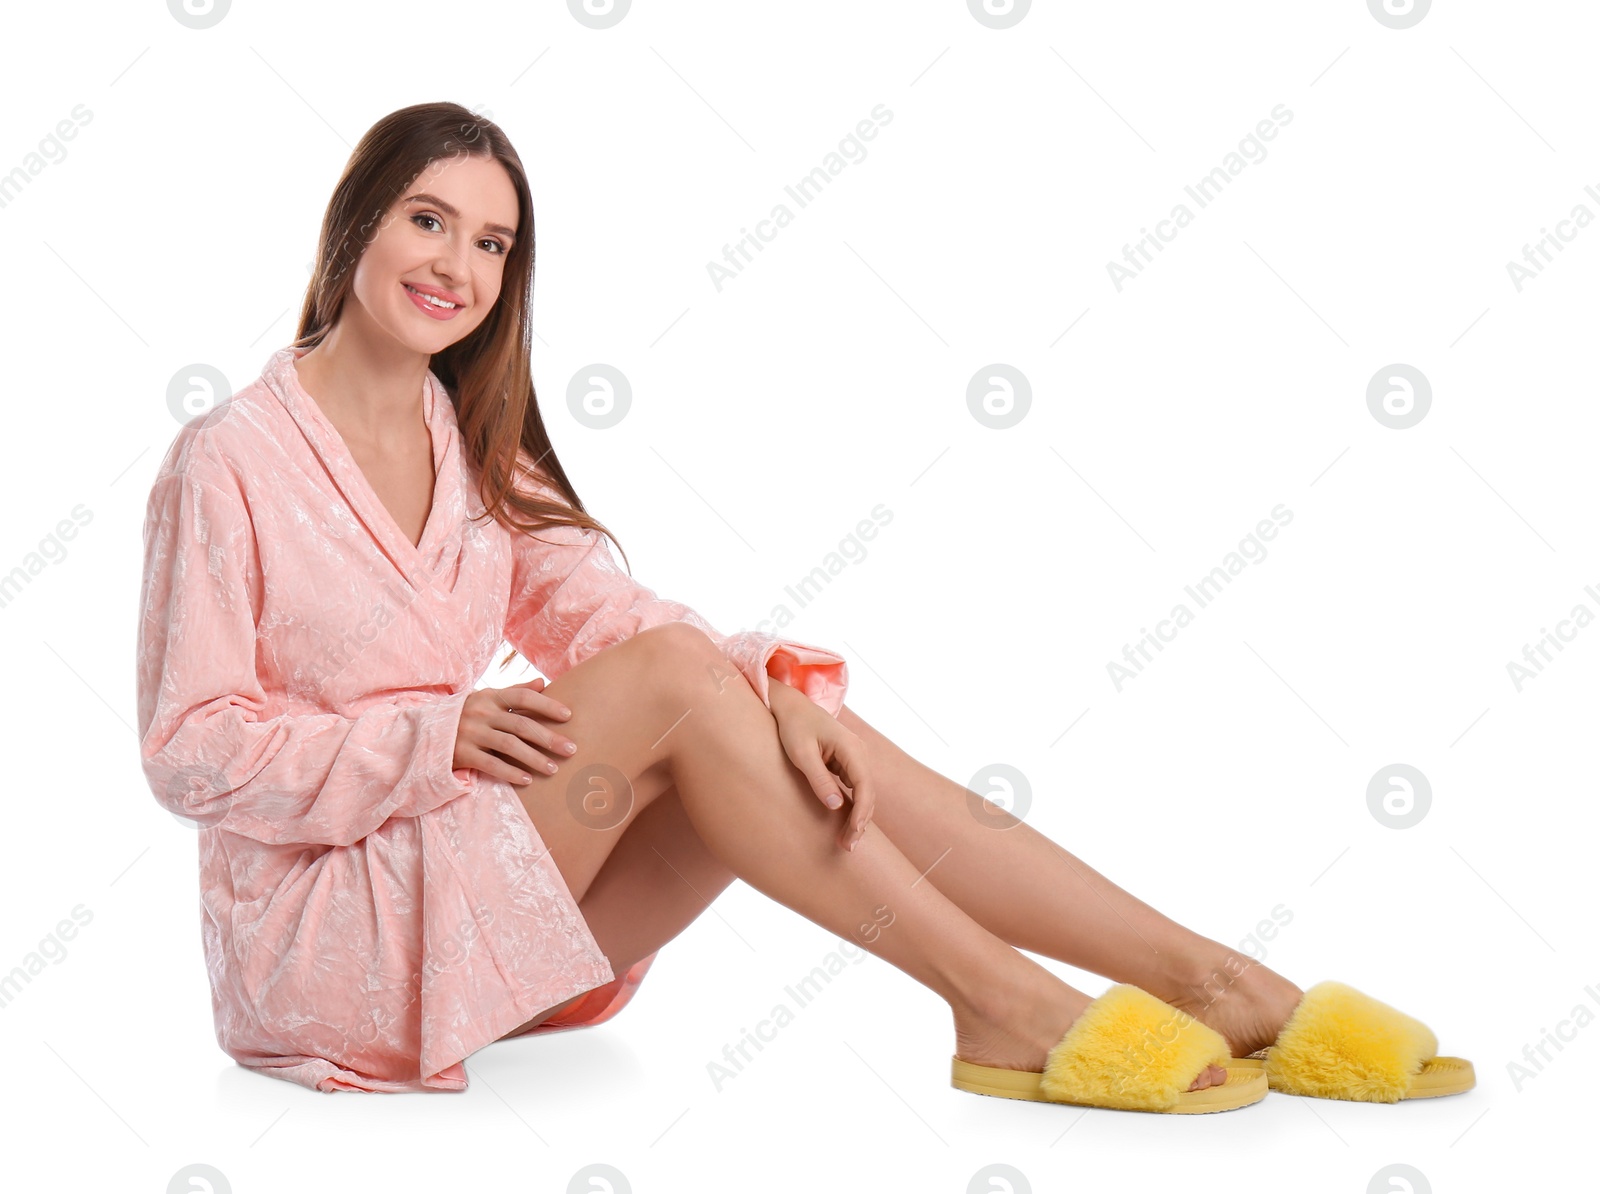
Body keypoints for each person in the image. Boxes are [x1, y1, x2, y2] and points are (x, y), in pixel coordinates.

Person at [137, 102, 1469, 1109]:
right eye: (429, 219)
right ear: (356, 221)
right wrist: (432, 739)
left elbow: (603, 613)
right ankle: (1008, 1005)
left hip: (477, 924)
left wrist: (771, 681)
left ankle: (1218, 983)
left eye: (492, 242)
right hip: (320, 948)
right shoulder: (231, 458)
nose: (459, 265)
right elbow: (189, 749)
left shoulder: (478, 439)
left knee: (747, 705)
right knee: (678, 682)